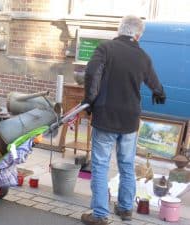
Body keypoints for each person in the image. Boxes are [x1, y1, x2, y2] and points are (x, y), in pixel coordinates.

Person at [81, 15, 166, 225]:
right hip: (130, 120)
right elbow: (154, 82)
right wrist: (159, 92)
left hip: (106, 117)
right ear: (138, 35)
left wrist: (89, 101)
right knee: (127, 164)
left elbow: (92, 74)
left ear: (120, 30)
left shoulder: (106, 48)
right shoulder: (143, 56)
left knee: (100, 165)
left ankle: (100, 214)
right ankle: (126, 208)